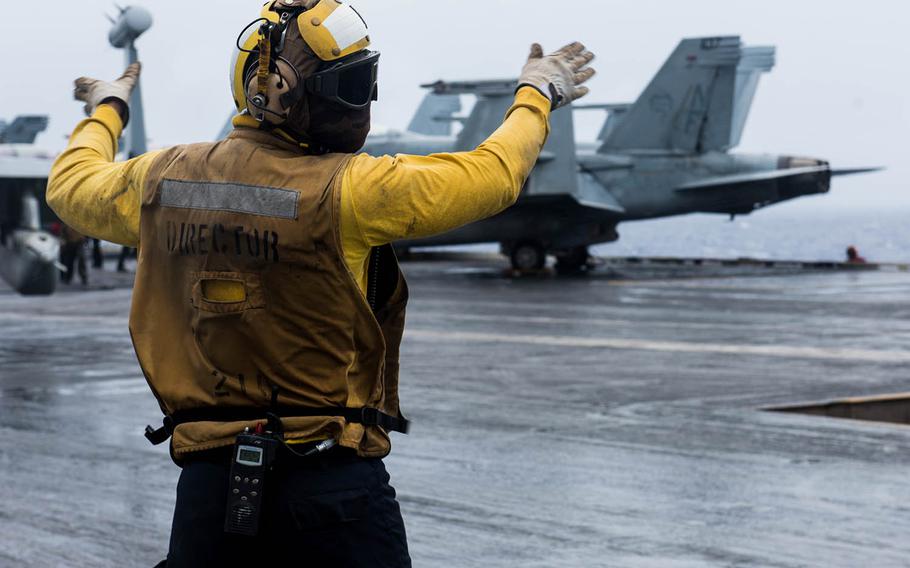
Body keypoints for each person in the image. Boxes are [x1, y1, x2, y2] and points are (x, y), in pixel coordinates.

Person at [46, 1, 595, 565]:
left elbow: (71, 184)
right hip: (332, 492)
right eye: (350, 85)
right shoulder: (352, 191)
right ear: (275, 89)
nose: (364, 102)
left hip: (210, 495)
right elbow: (494, 174)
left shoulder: (158, 179)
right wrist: (536, 94)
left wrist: (107, 107)